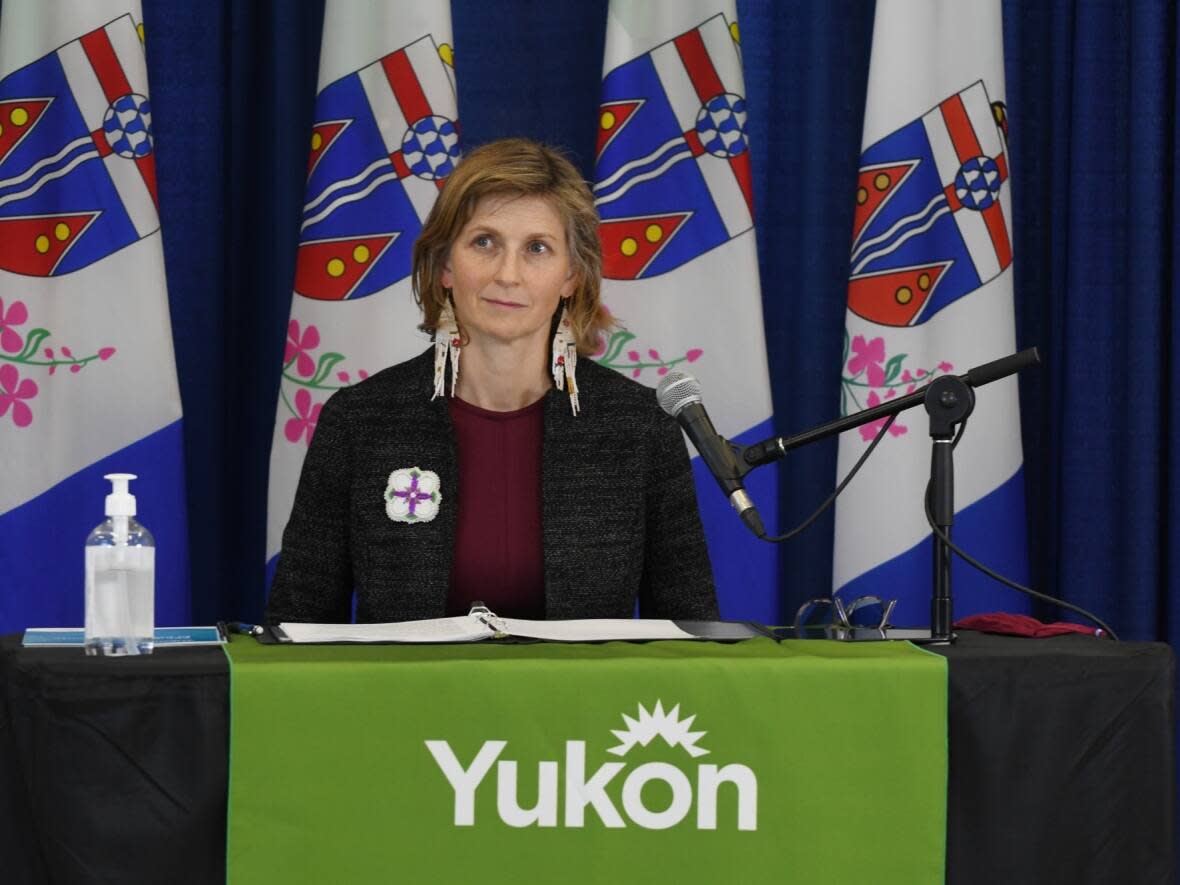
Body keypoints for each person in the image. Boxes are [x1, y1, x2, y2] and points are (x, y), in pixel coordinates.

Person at [266, 138, 717, 624]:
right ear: (444, 265)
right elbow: (297, 628)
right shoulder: (359, 420)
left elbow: (689, 632)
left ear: (571, 275)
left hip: (587, 703)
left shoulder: (640, 426)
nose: (508, 274)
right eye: (484, 242)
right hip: (403, 701)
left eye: (537, 249)